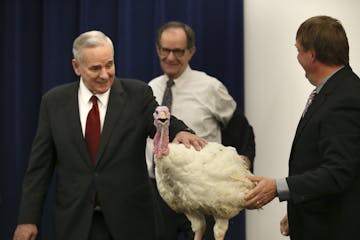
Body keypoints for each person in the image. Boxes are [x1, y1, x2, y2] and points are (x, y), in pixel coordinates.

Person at [12, 30, 207, 240]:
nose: (105, 74)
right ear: (76, 67)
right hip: (76, 223)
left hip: (131, 223)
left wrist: (181, 132)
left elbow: (160, 119)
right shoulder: (54, 103)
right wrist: (27, 219)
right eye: (95, 68)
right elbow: (39, 168)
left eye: (109, 65)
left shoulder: (138, 94)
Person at [244, 15, 360, 240]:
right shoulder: (337, 91)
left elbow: (337, 173)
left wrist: (278, 187)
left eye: (298, 51)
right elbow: (317, 161)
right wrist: (298, 210)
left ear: (312, 55)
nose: (297, 58)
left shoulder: (346, 99)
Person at [146, 21, 255, 240]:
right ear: (158, 49)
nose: (170, 57)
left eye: (178, 51)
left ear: (191, 52)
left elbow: (241, 129)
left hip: (201, 192)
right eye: (165, 50)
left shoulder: (210, 87)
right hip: (159, 190)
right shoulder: (150, 89)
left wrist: (243, 164)